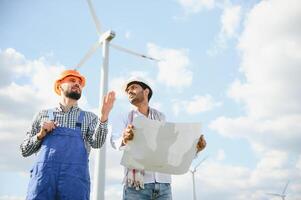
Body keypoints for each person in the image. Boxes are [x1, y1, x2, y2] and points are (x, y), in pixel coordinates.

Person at [20, 69, 115, 200]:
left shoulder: (89, 118)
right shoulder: (43, 115)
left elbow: (97, 143)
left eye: (79, 83)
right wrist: (40, 135)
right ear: (59, 86)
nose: (77, 84)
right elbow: (25, 150)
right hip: (43, 180)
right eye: (72, 80)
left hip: (74, 181)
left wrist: (104, 117)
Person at [111, 76, 206, 200]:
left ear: (146, 91)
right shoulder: (123, 117)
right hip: (136, 187)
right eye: (128, 89)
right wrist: (124, 139)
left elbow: (170, 148)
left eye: (133, 87)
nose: (129, 91)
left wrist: (195, 148)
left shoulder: (161, 117)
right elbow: (114, 141)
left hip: (163, 186)